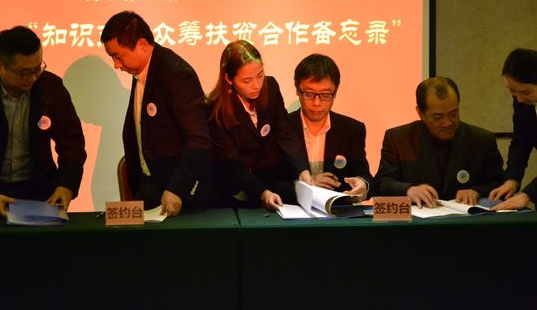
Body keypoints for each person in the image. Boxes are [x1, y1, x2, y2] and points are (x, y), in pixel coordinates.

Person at [0, 26, 86, 217]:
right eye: (24, 72)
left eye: (38, 69)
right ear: (0, 67)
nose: (33, 78)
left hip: (38, 193)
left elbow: (72, 142)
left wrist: (66, 185)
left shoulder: (51, 88)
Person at [100, 11, 211, 217]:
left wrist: (176, 188)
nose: (116, 65)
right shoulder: (141, 71)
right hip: (149, 186)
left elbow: (198, 139)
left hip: (178, 193)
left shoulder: (176, 74)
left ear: (142, 45)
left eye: (118, 56)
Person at [208, 40, 312, 210]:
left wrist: (302, 169)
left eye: (260, 75)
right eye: (247, 80)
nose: (256, 85)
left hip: (272, 181)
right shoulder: (215, 108)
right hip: (234, 191)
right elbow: (231, 161)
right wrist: (262, 193)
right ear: (229, 79)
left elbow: (284, 131)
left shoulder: (270, 87)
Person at [376, 77, 504, 208]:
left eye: (453, 114)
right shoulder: (399, 139)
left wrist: (476, 191)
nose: (447, 123)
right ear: (420, 113)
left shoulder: (481, 140)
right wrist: (408, 190)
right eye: (438, 117)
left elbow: (499, 183)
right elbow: (382, 183)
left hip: (466, 217)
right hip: (418, 218)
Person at [288, 54, 373, 201]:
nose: (316, 103)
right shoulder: (282, 128)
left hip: (336, 211)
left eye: (326, 95)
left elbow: (364, 175)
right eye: (309, 94)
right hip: (290, 209)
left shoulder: (351, 129)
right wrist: (308, 185)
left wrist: (362, 184)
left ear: (335, 93)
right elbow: (269, 183)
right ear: (297, 90)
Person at [491, 48, 537, 210]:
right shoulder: (522, 101)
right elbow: (521, 141)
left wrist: (528, 194)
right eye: (512, 91)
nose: (519, 99)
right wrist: (512, 179)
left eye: (526, 92)